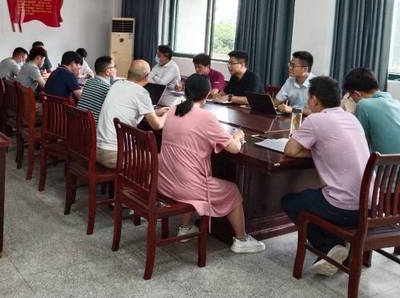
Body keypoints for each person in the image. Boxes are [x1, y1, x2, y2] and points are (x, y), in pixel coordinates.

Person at [158, 74, 266, 253]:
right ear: (207, 94)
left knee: (187, 170)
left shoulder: (173, 110)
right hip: (187, 187)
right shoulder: (206, 118)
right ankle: (241, 239)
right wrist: (238, 136)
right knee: (232, 190)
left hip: (165, 180)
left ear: (185, 91)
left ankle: (185, 227)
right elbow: (234, 149)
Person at [281, 76, 370, 277]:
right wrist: (321, 151)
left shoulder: (315, 119)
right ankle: (336, 244)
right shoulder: (351, 118)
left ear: (314, 100)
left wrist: (316, 151)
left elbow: (290, 150)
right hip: (371, 206)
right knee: (315, 196)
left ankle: (330, 245)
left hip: (345, 209)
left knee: (289, 201)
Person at [96, 60, 168, 168]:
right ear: (147, 77)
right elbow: (157, 125)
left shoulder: (116, 84)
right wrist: (166, 114)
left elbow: (129, 108)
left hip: (97, 148)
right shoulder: (141, 93)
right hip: (114, 154)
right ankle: (136, 179)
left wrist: (155, 112)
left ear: (128, 73)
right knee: (155, 159)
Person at [343, 67, 400, 154]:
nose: (351, 99)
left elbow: (361, 145)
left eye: (350, 96)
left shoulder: (363, 105)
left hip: (385, 162)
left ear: (356, 94)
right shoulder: (397, 103)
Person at [77, 56, 116, 123]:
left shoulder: (89, 81)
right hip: (93, 126)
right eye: (114, 67)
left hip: (79, 121)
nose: (115, 69)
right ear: (107, 72)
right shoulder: (107, 89)